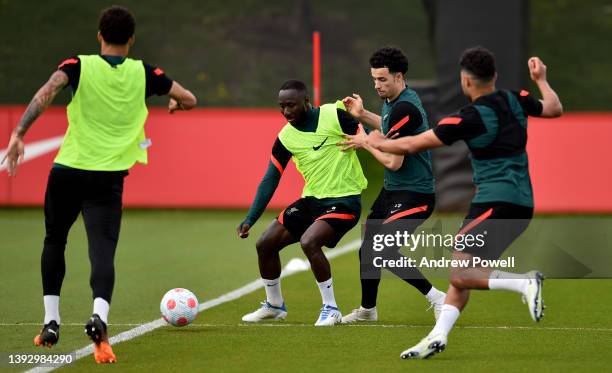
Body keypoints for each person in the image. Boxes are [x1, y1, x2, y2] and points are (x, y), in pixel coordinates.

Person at [1, 6, 196, 364]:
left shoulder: (78, 65)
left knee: (54, 240)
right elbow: (189, 98)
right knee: (102, 250)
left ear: (99, 36)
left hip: (67, 170)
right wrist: (174, 102)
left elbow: (47, 91)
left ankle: (51, 322)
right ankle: (99, 320)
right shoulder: (146, 73)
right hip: (107, 179)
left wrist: (18, 133)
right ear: (132, 39)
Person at [366, 46, 562, 359]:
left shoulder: (468, 118)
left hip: (494, 202)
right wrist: (541, 79)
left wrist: (378, 141)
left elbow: (417, 142)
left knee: (459, 274)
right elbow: (553, 108)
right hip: (522, 203)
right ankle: (436, 337)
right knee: (464, 276)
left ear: (465, 81)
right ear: (494, 76)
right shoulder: (516, 98)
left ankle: (524, 283)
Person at [237, 80, 367, 326]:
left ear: (306, 102)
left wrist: (366, 138)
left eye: (291, 105)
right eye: (281, 106)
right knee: (265, 244)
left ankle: (331, 308)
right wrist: (250, 218)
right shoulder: (285, 137)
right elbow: (270, 179)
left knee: (309, 241)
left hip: (345, 200)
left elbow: (366, 138)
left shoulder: (333, 114)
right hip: (312, 201)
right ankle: (274, 305)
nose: (286, 112)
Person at [337, 47, 445, 323]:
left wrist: (365, 143)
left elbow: (393, 162)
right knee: (368, 250)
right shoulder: (394, 103)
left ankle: (437, 298)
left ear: (399, 77)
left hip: (415, 194)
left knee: (381, 249)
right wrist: (362, 114)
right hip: (393, 192)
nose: (377, 85)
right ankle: (367, 311)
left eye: (382, 79)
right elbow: (386, 125)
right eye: (374, 79)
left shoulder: (406, 108)